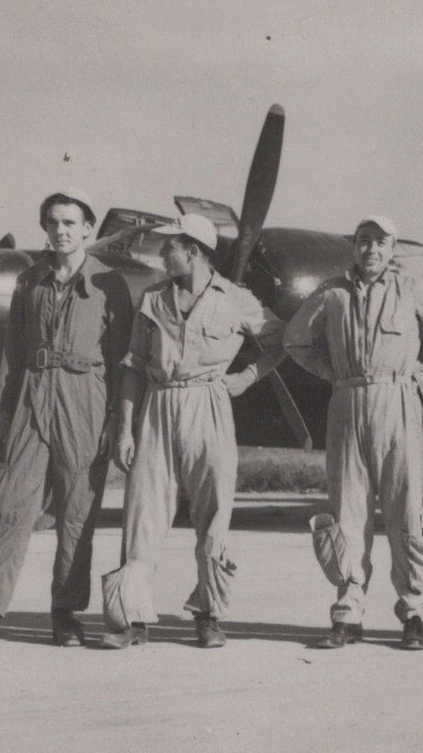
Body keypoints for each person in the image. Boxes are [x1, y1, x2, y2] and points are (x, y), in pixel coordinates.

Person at [0, 190, 133, 652]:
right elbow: (13, 352)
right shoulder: (29, 281)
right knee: (10, 507)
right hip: (30, 396)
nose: (60, 231)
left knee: (77, 515)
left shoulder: (111, 284)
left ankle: (65, 615)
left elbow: (124, 361)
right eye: (52, 222)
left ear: (87, 228)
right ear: (45, 228)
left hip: (85, 400)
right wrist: (6, 417)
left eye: (70, 222)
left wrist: (118, 423)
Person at [100, 213, 286, 649]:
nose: (163, 254)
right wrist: (124, 430)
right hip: (159, 404)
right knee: (143, 511)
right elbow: (133, 368)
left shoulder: (236, 300)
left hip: (209, 404)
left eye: (171, 247)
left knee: (214, 509)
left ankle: (208, 614)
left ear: (195, 251)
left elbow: (281, 342)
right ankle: (131, 618)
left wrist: (248, 377)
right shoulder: (152, 299)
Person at [284, 216, 423, 650]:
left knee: (405, 509)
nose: (371, 249)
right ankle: (348, 612)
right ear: (355, 247)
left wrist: (420, 381)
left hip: (398, 402)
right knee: (347, 510)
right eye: (364, 241)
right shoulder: (332, 292)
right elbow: (296, 340)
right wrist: (334, 373)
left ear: (392, 248)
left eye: (380, 242)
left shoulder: (410, 289)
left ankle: (413, 611)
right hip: (347, 403)